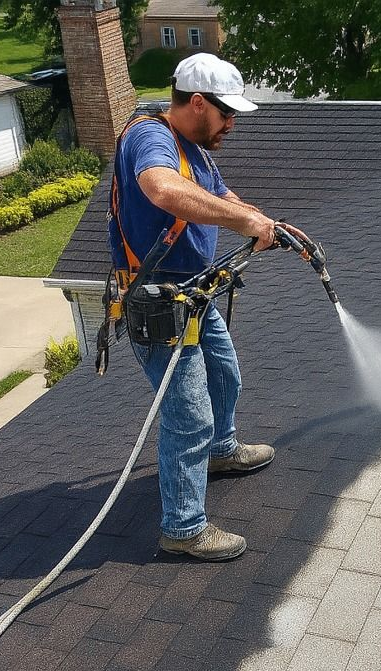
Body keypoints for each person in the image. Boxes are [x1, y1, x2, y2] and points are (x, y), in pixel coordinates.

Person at [109, 53, 293, 561]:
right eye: (226, 113)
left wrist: (256, 217)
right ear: (196, 102)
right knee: (187, 414)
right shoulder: (152, 138)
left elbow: (216, 192)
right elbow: (162, 188)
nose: (231, 124)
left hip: (194, 292)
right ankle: (183, 527)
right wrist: (242, 224)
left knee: (225, 377)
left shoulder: (193, 147)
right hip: (160, 302)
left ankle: (220, 452)